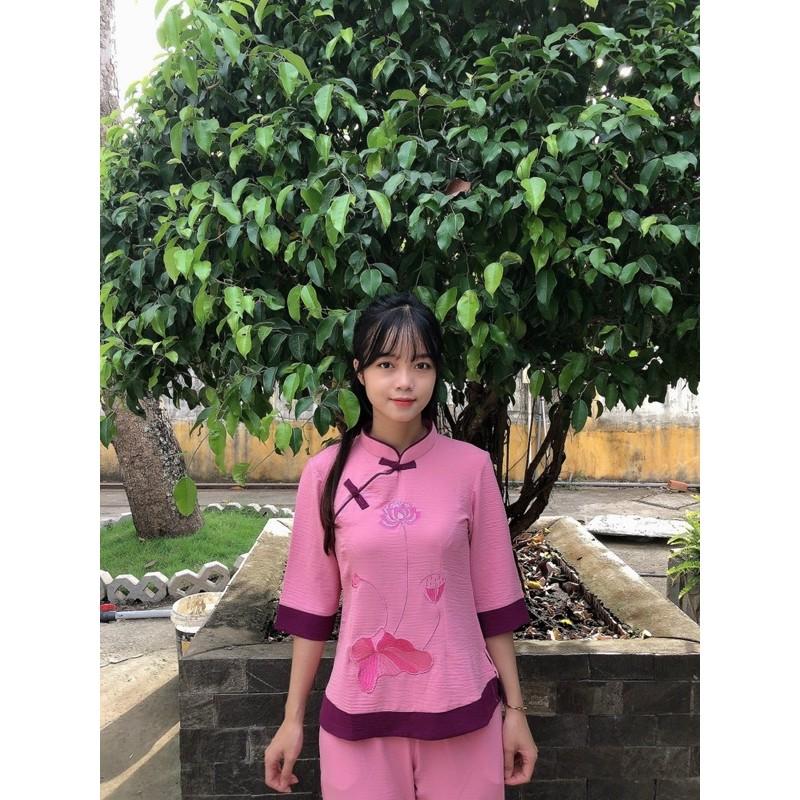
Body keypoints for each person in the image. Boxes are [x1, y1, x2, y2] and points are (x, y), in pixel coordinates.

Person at [264, 290, 538, 798]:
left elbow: (494, 603)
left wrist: (515, 712)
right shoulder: (324, 475)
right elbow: (311, 609)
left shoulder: (471, 468)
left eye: (422, 365)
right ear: (360, 371)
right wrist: (291, 719)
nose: (405, 381)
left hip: (464, 712)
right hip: (359, 716)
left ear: (436, 374)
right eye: (387, 364)